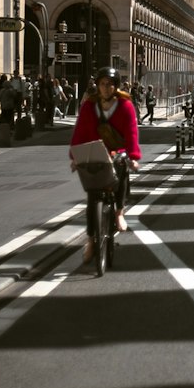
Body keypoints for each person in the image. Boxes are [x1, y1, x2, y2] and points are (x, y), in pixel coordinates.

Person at [69, 67, 142, 263]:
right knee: (93, 196)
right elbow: (80, 132)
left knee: (122, 171)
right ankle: (92, 240)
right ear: (98, 86)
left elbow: (131, 131)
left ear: (116, 87)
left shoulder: (125, 105)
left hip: (117, 151)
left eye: (110, 84)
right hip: (96, 151)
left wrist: (133, 156)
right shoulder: (89, 107)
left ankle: (119, 212)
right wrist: (75, 156)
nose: (106, 88)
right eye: (103, 84)